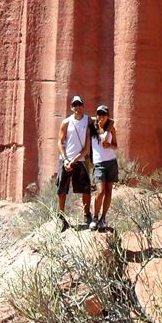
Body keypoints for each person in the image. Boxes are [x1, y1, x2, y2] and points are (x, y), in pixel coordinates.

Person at [56, 95, 92, 229]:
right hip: (65, 160)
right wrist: (66, 160)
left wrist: (74, 161)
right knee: (62, 189)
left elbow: (87, 148)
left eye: (79, 104)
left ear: (83, 106)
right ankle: (60, 216)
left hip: (80, 160)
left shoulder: (88, 121)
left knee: (86, 189)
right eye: (74, 105)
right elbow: (60, 142)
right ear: (71, 107)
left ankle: (87, 214)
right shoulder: (66, 122)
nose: (77, 107)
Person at [89, 105, 118, 231]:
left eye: (104, 114)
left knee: (108, 191)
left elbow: (116, 146)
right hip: (99, 164)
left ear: (107, 115)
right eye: (99, 114)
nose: (101, 116)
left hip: (111, 162)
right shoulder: (92, 127)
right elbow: (86, 117)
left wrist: (109, 145)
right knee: (100, 191)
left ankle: (103, 218)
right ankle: (95, 218)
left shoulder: (111, 129)